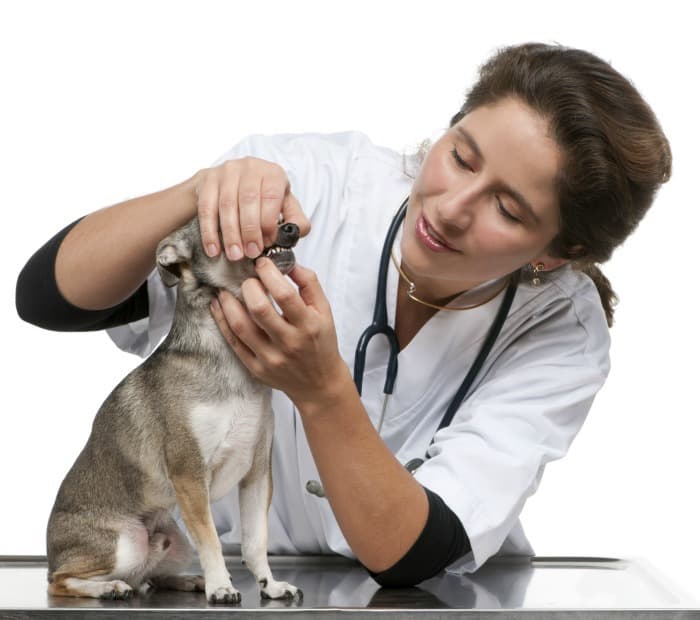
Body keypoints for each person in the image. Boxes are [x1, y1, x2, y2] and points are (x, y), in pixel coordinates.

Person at [16, 42, 672, 588]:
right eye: (461, 155)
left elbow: (411, 554)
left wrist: (322, 389)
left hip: (432, 601)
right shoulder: (314, 185)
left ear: (560, 253)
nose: (449, 208)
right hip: (214, 583)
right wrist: (195, 191)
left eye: (508, 209)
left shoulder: (562, 335)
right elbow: (49, 297)